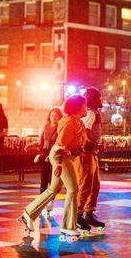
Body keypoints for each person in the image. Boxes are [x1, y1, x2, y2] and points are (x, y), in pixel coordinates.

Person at [17, 94, 87, 240]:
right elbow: (60, 144)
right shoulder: (70, 123)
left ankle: (28, 213)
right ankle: (68, 227)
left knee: (53, 189)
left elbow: (79, 144)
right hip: (60, 157)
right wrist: (60, 163)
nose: (86, 108)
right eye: (84, 106)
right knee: (73, 188)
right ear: (78, 108)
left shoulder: (77, 122)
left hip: (64, 156)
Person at [77, 88, 105, 233]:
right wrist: (95, 144)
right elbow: (85, 132)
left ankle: (89, 212)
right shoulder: (90, 113)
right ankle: (78, 214)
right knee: (86, 184)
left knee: (95, 185)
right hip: (86, 154)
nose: (102, 100)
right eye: (100, 97)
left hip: (93, 153)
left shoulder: (96, 113)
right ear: (94, 98)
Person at [26, 108, 63, 216]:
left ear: (59, 117)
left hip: (54, 156)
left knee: (53, 182)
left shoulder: (60, 128)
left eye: (56, 116)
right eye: (52, 115)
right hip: (44, 155)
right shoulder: (44, 127)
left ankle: (50, 202)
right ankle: (42, 203)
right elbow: (39, 141)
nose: (54, 118)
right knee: (43, 181)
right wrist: (31, 145)